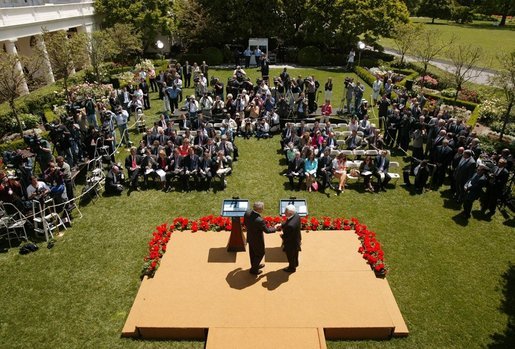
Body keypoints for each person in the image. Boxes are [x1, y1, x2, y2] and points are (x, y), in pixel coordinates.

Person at [244, 201, 276, 275]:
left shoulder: (247, 212)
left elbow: (245, 223)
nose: (263, 209)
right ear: (259, 210)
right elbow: (267, 230)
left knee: (252, 253)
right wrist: (275, 228)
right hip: (257, 240)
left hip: (250, 237)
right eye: (262, 208)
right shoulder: (259, 220)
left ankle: (255, 265)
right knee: (260, 253)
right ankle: (254, 270)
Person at [277, 204, 301, 273]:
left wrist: (282, 235)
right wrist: (281, 225)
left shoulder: (290, 226)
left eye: (285, 212)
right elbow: (288, 221)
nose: (284, 213)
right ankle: (295, 263)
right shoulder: (296, 215)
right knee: (295, 254)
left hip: (291, 244)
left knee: (290, 256)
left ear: (290, 213)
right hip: (296, 239)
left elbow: (287, 238)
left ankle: (291, 268)